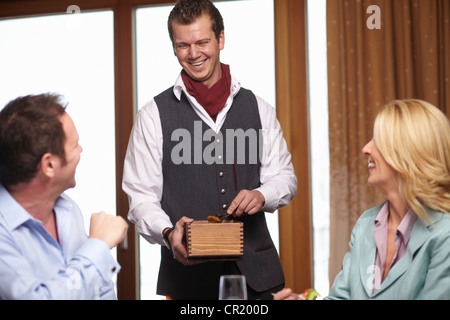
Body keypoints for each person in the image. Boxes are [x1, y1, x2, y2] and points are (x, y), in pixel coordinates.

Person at [123, 0, 297, 299]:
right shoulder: (152, 114)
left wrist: (260, 194)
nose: (193, 54)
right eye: (183, 45)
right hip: (186, 283)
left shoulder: (259, 108)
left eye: (202, 41)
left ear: (221, 39)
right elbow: (140, 196)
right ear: (174, 47)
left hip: (259, 279)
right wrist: (168, 234)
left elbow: (285, 178)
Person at [274, 99, 450, 300]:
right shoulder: (366, 223)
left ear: (408, 151)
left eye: (378, 140)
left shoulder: (445, 235)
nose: (366, 148)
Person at [0, 93, 128, 300]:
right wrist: (98, 246)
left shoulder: (67, 209)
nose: (81, 150)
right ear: (49, 165)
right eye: (74, 145)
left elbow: (99, 291)